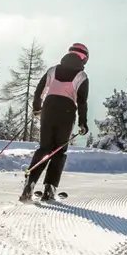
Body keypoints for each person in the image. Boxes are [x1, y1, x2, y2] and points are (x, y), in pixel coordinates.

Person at [22, 43, 90, 203]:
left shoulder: (52, 70)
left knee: (44, 148)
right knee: (59, 151)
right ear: (84, 58)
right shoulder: (81, 76)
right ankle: (49, 189)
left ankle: (29, 184)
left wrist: (37, 108)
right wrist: (83, 123)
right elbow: (82, 102)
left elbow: (40, 90)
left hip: (49, 107)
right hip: (66, 111)